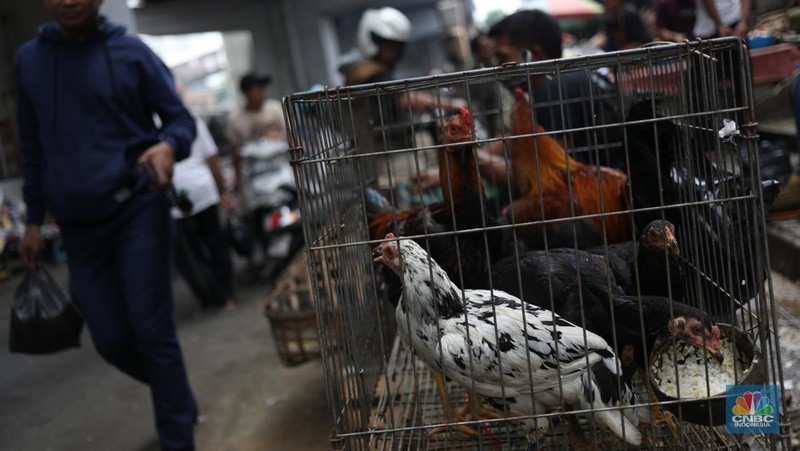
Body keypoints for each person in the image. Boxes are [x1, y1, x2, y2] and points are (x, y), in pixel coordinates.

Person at [15, 1, 197, 449]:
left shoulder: (132, 52)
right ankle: (177, 398)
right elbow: (31, 146)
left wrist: (169, 146)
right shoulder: (29, 61)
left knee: (153, 332)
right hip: (78, 226)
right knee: (111, 339)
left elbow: (181, 121)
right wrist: (33, 220)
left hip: (138, 209)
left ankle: (178, 437)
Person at [487, 10, 625, 171]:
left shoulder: (554, 91)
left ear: (534, 55)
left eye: (503, 58)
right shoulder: (567, 79)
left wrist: (479, 162)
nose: (498, 68)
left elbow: (550, 175)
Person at [172, 114, 236, 311]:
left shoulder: (146, 124)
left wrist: (223, 191)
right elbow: (212, 158)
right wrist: (222, 191)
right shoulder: (191, 121)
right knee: (215, 244)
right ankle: (223, 294)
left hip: (181, 200)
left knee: (194, 254)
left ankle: (215, 296)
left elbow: (212, 158)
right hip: (199, 193)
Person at [226, 73, 286, 184]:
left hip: (280, 167)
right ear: (246, 93)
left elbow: (290, 134)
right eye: (257, 90)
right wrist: (238, 179)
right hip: (253, 173)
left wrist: (276, 136)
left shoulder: (274, 108)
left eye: (262, 89)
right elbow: (235, 150)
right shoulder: (235, 119)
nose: (262, 93)